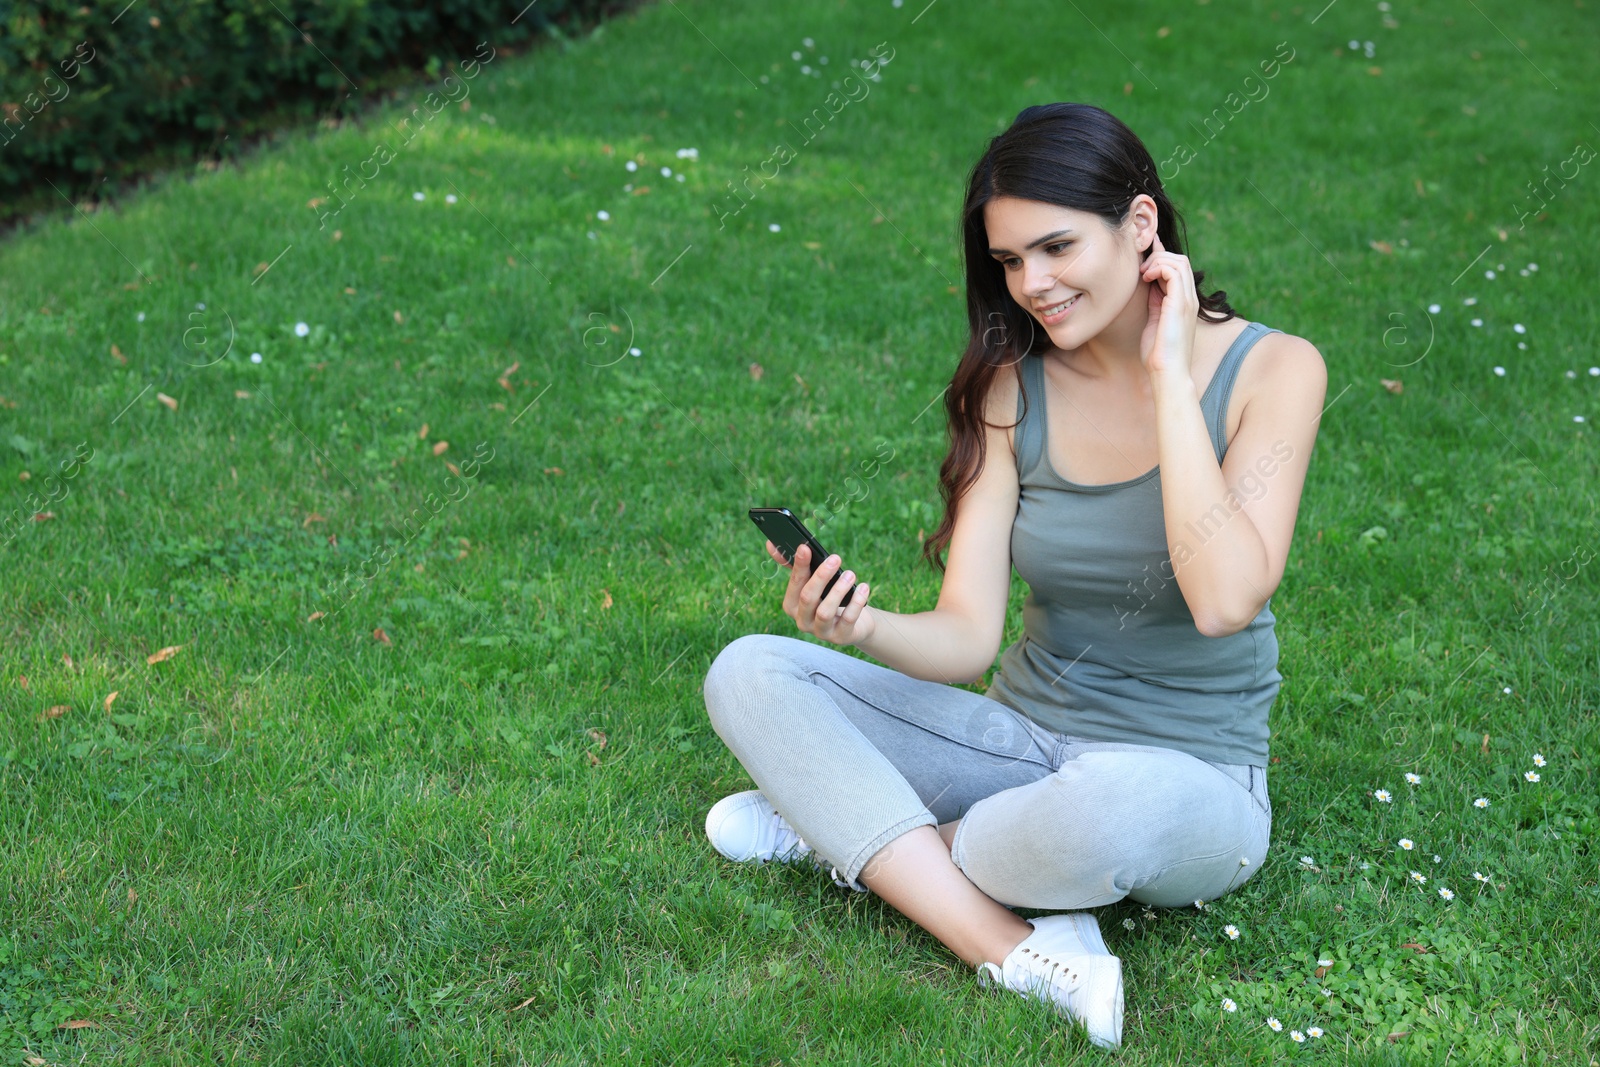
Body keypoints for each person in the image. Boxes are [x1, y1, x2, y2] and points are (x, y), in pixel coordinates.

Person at [700, 102, 1327, 1050]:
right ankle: (1009, 942)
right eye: (1007, 262)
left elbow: (1225, 598)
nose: (1030, 285)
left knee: (1111, 805)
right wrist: (858, 624)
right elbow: (964, 638)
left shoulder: (1275, 370)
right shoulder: (1013, 388)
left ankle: (859, 835)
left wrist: (1166, 380)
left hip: (1190, 778)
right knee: (750, 668)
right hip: (1017, 743)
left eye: (1055, 247)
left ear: (1142, 227)